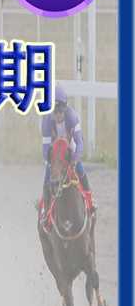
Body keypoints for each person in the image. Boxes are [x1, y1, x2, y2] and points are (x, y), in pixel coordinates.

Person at [40, 85, 93, 217]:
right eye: (55, 112)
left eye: (60, 111)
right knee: (47, 177)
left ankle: (90, 202)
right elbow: (45, 148)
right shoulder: (46, 121)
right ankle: (45, 208)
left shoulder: (72, 117)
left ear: (65, 109)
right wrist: (50, 162)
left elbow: (79, 142)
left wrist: (74, 160)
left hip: (70, 148)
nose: (58, 115)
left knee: (80, 170)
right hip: (55, 153)